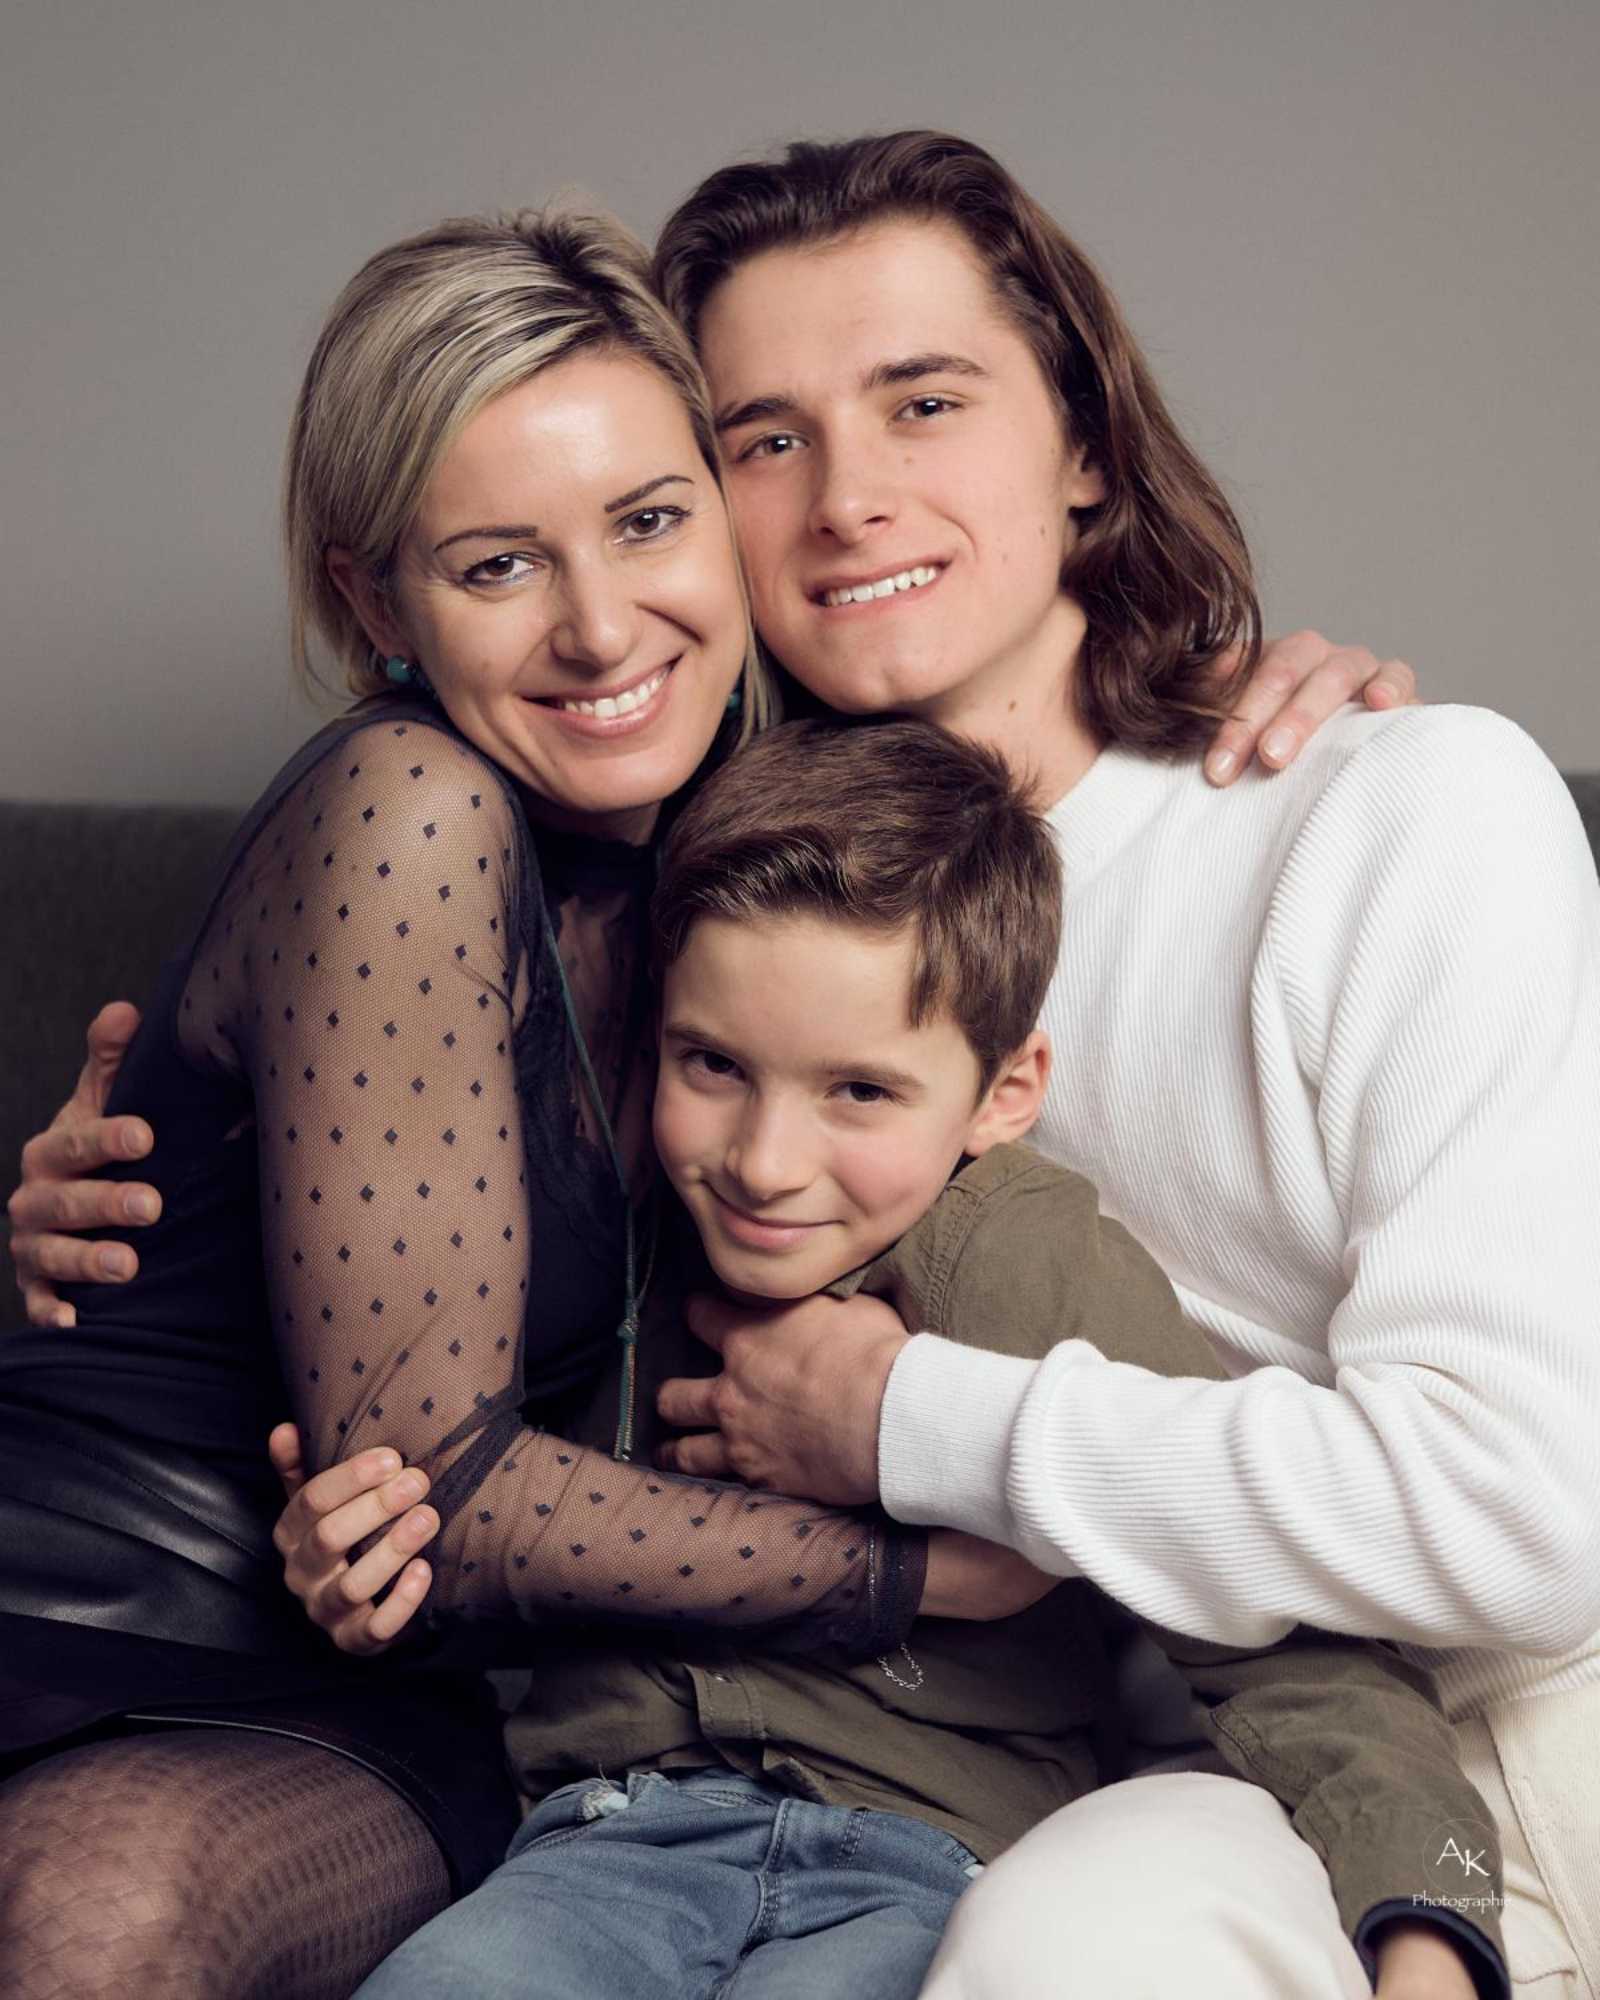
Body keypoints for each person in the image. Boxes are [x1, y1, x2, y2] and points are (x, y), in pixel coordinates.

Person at [3, 152, 1433, 1991]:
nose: (602, 628)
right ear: (378, 601)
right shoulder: (413, 804)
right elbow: (438, 1486)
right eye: (497, 563)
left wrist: (1220, 682)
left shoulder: (753, 848)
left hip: (428, 1686)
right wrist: (925, 1570)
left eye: (652, 519)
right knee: (102, 1916)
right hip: (137, 1591)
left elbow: (986, 641)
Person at [350, 713, 1504, 2000]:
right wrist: (362, 1554)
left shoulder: (1023, 1257)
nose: (763, 1163)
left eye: (859, 1091)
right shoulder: (602, 1227)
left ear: (1006, 1091)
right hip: (605, 1841)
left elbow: (1276, 1632)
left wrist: (1428, 1923)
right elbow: (470, 1509)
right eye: (712, 1064)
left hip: (922, 1859)